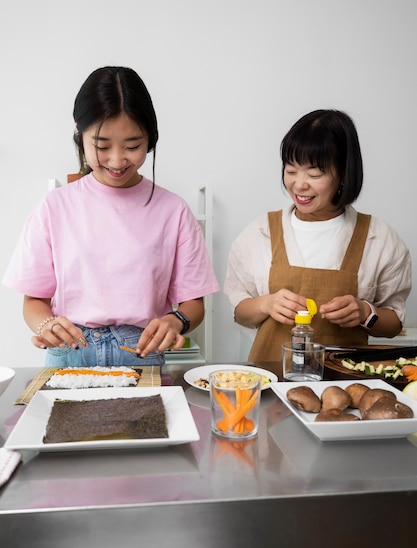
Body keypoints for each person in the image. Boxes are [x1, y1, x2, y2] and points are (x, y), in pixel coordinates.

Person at [3, 66, 219, 367]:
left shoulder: (174, 210)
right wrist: (46, 325)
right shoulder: (54, 207)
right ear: (79, 132)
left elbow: (194, 303)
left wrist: (176, 321)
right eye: (101, 146)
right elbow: (33, 302)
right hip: (70, 351)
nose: (117, 161)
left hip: (141, 352)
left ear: (151, 138)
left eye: (133, 146)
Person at [224, 109, 411, 378]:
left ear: (344, 174)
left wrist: (363, 312)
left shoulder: (379, 239)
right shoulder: (260, 232)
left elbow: (393, 324)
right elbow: (240, 313)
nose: (299, 185)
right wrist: (266, 304)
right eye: (291, 170)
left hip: (347, 384)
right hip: (270, 381)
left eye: (314, 174)